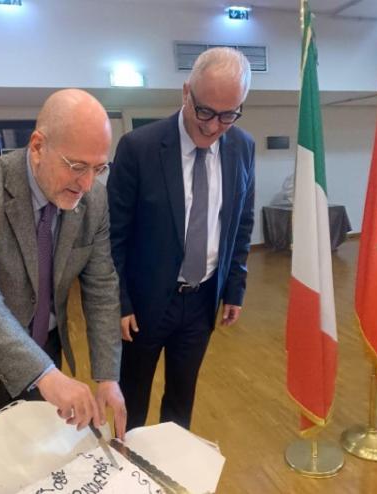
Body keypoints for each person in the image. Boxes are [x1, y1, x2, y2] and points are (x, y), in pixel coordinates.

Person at [0, 89, 126, 494]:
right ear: (37, 146)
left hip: (45, 343)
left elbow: (102, 286)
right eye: (76, 166)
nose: (86, 183)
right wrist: (44, 374)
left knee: (40, 454)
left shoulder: (95, 198)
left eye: (98, 168)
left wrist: (107, 376)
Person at [107, 47, 255, 431]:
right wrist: (119, 302)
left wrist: (234, 287)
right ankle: (127, 462)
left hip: (203, 299)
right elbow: (113, 236)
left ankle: (170, 463)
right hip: (143, 305)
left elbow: (240, 223)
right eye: (205, 111)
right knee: (132, 399)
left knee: (181, 398)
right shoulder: (139, 148)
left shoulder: (243, 147)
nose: (213, 126)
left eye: (228, 115)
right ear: (186, 92)